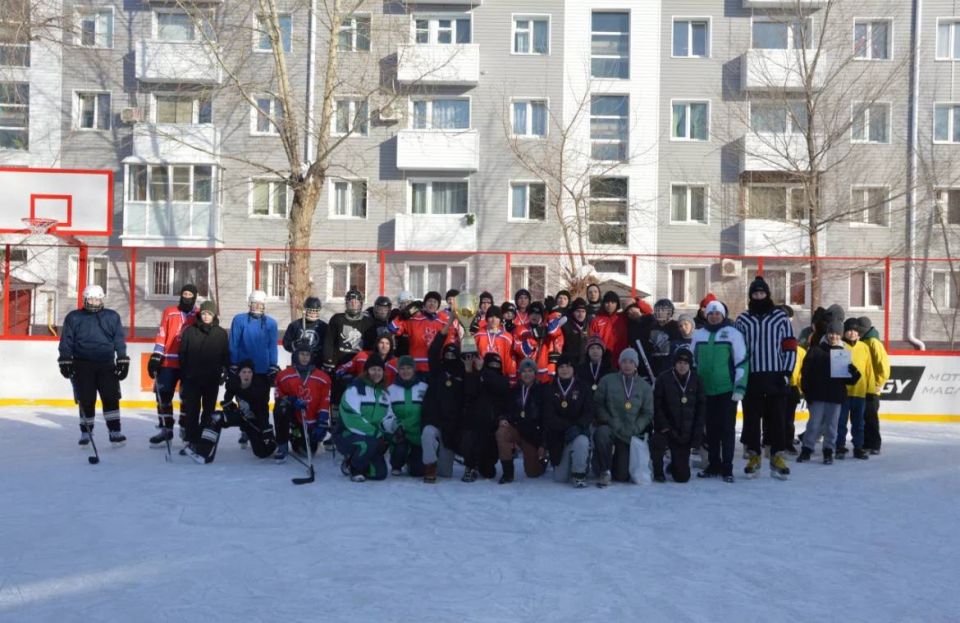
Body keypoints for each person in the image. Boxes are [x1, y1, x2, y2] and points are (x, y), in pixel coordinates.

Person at [734, 276, 796, 480]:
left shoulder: (780, 318)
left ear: (767, 295)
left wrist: (786, 372)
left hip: (775, 375)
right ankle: (753, 456)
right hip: (751, 377)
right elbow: (737, 349)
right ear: (750, 296)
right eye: (755, 294)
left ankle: (777, 456)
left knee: (777, 418)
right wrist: (739, 375)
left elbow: (789, 346)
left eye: (761, 293)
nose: (758, 297)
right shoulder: (743, 320)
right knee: (752, 420)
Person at [58, 285, 129, 447]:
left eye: (97, 299)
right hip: (82, 364)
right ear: (85, 298)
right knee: (86, 399)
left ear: (102, 299)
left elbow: (118, 339)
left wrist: (123, 358)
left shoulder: (111, 316)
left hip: (106, 364)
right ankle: (86, 432)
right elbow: (66, 341)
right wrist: (64, 359)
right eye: (90, 298)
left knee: (111, 397)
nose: (94, 302)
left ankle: (114, 431)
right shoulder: (74, 317)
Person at [691, 300, 748, 483]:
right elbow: (692, 362)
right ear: (706, 315)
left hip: (726, 390)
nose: (714, 316)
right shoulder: (698, 334)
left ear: (723, 315)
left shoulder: (733, 334)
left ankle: (727, 467)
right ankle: (713, 464)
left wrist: (739, 387)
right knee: (711, 430)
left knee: (727, 430)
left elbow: (742, 362)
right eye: (711, 313)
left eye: (718, 314)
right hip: (705, 390)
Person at [798, 322, 861, 465]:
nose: (834, 336)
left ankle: (828, 451)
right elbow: (805, 373)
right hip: (817, 395)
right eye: (832, 333)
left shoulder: (843, 353)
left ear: (840, 335)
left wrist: (854, 373)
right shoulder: (815, 350)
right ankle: (807, 449)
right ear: (827, 334)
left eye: (837, 334)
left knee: (832, 426)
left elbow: (849, 380)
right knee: (814, 424)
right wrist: (807, 391)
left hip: (835, 396)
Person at [593, 348, 654, 487]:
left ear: (636, 365)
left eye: (631, 362)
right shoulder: (608, 380)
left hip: (629, 433)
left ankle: (613, 461)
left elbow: (648, 412)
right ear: (619, 363)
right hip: (611, 427)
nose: (627, 365)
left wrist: (636, 427)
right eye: (624, 361)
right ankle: (604, 470)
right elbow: (598, 404)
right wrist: (609, 420)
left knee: (622, 476)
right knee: (602, 433)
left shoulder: (645, 387)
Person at [146, 283, 198, 447]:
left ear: (195, 297)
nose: (187, 297)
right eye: (185, 294)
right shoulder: (170, 312)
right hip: (168, 361)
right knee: (163, 396)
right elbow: (162, 334)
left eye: (190, 295)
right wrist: (156, 356)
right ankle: (166, 429)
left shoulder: (198, 314)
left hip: (188, 363)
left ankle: (184, 427)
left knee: (187, 397)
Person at [178, 300, 230, 456]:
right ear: (201, 314)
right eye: (205, 313)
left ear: (214, 315)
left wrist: (224, 373)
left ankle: (204, 441)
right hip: (192, 379)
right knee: (192, 411)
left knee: (208, 412)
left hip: (211, 380)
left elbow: (225, 356)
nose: (207, 316)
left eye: (210, 314)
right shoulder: (189, 331)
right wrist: (185, 375)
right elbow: (183, 355)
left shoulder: (221, 333)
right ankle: (191, 440)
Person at [229, 290, 279, 445]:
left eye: (260, 304)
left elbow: (272, 346)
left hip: (262, 370)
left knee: (262, 403)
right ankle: (246, 430)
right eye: (254, 303)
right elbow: (234, 343)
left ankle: (262, 430)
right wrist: (233, 363)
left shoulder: (271, 323)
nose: (257, 307)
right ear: (249, 304)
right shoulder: (239, 320)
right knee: (244, 403)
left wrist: (273, 365)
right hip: (244, 371)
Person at [335, 355, 396, 481]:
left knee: (379, 475)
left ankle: (363, 462)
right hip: (347, 435)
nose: (376, 373)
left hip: (372, 438)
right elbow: (352, 420)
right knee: (369, 442)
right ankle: (353, 466)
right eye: (373, 369)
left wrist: (394, 426)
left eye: (379, 370)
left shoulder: (384, 394)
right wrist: (376, 433)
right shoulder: (354, 390)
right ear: (366, 371)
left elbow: (387, 417)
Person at [420, 313, 465, 483]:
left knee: (445, 473)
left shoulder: (462, 373)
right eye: (448, 355)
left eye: (454, 356)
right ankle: (429, 465)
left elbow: (470, 355)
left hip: (451, 427)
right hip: (434, 421)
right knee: (427, 433)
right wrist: (449, 322)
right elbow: (433, 350)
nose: (450, 358)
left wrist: (465, 329)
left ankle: (445, 454)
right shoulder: (437, 371)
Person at [651, 349, 705, 483]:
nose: (682, 366)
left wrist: (696, 435)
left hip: (684, 434)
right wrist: (664, 427)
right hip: (667, 430)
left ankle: (674, 464)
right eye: (679, 362)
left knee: (682, 477)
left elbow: (701, 409)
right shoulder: (664, 378)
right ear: (674, 363)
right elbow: (657, 406)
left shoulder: (696, 380)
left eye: (686, 363)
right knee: (657, 441)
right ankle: (658, 471)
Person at [273, 340, 332, 463]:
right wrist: (291, 399)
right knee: (281, 408)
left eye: (307, 354)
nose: (305, 357)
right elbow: (278, 396)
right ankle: (282, 445)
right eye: (302, 354)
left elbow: (324, 402)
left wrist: (322, 422)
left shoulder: (323, 377)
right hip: (294, 418)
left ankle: (297, 437)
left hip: (311, 420)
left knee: (306, 451)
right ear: (295, 355)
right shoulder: (283, 375)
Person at [542, 355, 594, 488]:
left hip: (577, 432)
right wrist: (567, 427)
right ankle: (568, 462)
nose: (564, 369)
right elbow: (548, 416)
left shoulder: (583, 387)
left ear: (573, 369)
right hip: (559, 436)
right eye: (561, 367)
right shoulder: (549, 388)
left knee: (582, 441)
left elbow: (589, 412)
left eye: (568, 366)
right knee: (560, 478)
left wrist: (579, 426)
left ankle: (579, 473)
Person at [496, 358, 546, 484]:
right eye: (524, 371)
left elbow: (547, 419)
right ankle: (508, 473)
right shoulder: (513, 390)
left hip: (533, 435)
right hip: (517, 429)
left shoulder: (543, 391)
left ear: (535, 373)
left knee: (532, 473)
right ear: (520, 373)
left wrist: (543, 444)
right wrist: (503, 419)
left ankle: (543, 461)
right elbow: (504, 409)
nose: (527, 374)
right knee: (502, 432)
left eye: (530, 371)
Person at [461, 352, 509, 482]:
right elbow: (469, 392)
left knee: (488, 471)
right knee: (470, 436)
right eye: (491, 365)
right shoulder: (477, 378)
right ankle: (470, 465)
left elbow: (498, 385)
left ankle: (481, 464)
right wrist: (469, 370)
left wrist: (484, 370)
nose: (494, 367)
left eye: (496, 365)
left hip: (494, 427)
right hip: (476, 426)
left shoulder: (503, 380)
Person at [221, 361, 276, 459]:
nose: (247, 375)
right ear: (239, 374)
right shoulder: (233, 384)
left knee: (262, 453)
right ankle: (204, 450)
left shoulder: (258, 388)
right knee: (216, 417)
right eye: (244, 372)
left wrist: (265, 429)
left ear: (253, 374)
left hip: (254, 422)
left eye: (249, 372)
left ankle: (270, 439)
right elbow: (227, 402)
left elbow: (263, 410)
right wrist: (231, 408)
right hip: (241, 417)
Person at [836, 318, 873, 460]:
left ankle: (858, 447)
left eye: (855, 331)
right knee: (841, 422)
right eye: (849, 330)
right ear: (844, 332)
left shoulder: (864, 348)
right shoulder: (840, 347)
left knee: (858, 423)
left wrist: (870, 390)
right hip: (843, 392)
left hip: (860, 392)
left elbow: (869, 370)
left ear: (859, 334)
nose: (852, 333)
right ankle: (840, 446)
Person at [386, 355, 427, 477]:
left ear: (414, 369)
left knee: (418, 472)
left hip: (417, 435)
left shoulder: (424, 387)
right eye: (402, 368)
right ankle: (397, 464)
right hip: (400, 433)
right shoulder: (390, 390)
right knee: (400, 448)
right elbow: (387, 413)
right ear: (398, 370)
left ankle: (411, 461)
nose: (405, 371)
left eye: (409, 368)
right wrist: (394, 425)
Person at [390, 290, 447, 373]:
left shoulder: (443, 322)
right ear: (424, 303)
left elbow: (447, 345)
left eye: (435, 302)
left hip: (435, 368)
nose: (432, 304)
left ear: (438, 305)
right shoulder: (413, 320)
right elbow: (392, 328)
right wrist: (403, 315)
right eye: (429, 301)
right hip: (416, 368)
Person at [627, 298, 681, 384]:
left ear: (670, 312)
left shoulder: (675, 326)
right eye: (658, 310)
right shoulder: (651, 327)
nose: (660, 312)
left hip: (670, 366)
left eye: (663, 310)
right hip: (653, 366)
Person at [858, 316, 890, 455]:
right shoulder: (866, 341)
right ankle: (867, 443)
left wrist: (878, 383)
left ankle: (874, 444)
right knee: (864, 416)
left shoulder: (872, 342)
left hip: (872, 388)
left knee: (870, 417)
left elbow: (883, 365)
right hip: (864, 387)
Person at [515, 301, 566, 382]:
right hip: (526, 373)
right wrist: (533, 338)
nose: (534, 316)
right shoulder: (520, 329)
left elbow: (554, 333)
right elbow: (522, 352)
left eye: (538, 314)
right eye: (532, 313)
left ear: (542, 316)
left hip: (543, 372)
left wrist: (552, 314)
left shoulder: (547, 328)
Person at [474, 305, 516, 382]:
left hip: (500, 376)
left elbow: (509, 360)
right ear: (486, 319)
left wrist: (511, 379)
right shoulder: (478, 335)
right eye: (491, 317)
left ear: (500, 319)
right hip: (482, 377)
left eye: (497, 317)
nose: (493, 320)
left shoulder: (507, 337)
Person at [282, 296, 326, 367]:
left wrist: (320, 349)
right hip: (298, 365)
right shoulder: (295, 325)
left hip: (316, 365)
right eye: (310, 311)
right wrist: (295, 345)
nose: (313, 314)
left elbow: (328, 346)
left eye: (315, 311)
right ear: (305, 310)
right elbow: (286, 343)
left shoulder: (323, 326)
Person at [589, 291, 627, 368]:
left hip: (621, 360)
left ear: (617, 304)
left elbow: (644, 312)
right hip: (602, 360)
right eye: (607, 302)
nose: (610, 305)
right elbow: (591, 341)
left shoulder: (623, 318)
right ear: (603, 304)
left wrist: (636, 301)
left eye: (613, 302)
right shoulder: (596, 320)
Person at [561, 298, 590, 365]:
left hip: (585, 362)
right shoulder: (565, 324)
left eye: (583, 311)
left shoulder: (589, 324)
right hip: (569, 362)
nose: (581, 314)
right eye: (578, 311)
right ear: (573, 312)